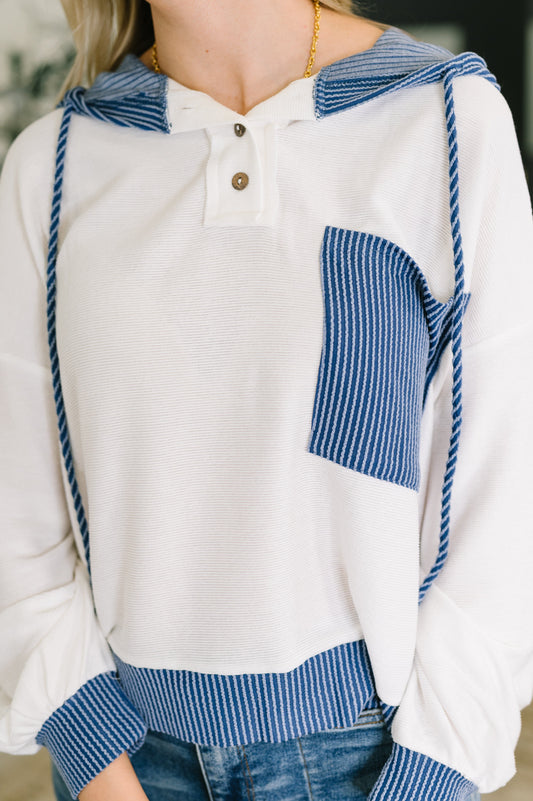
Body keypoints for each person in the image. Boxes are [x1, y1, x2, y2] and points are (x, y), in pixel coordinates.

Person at [1, 0, 532, 799]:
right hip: (123, 757)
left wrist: (429, 772)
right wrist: (99, 766)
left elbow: (506, 491)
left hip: (371, 757)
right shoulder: (54, 163)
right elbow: (18, 505)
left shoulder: (445, 119)